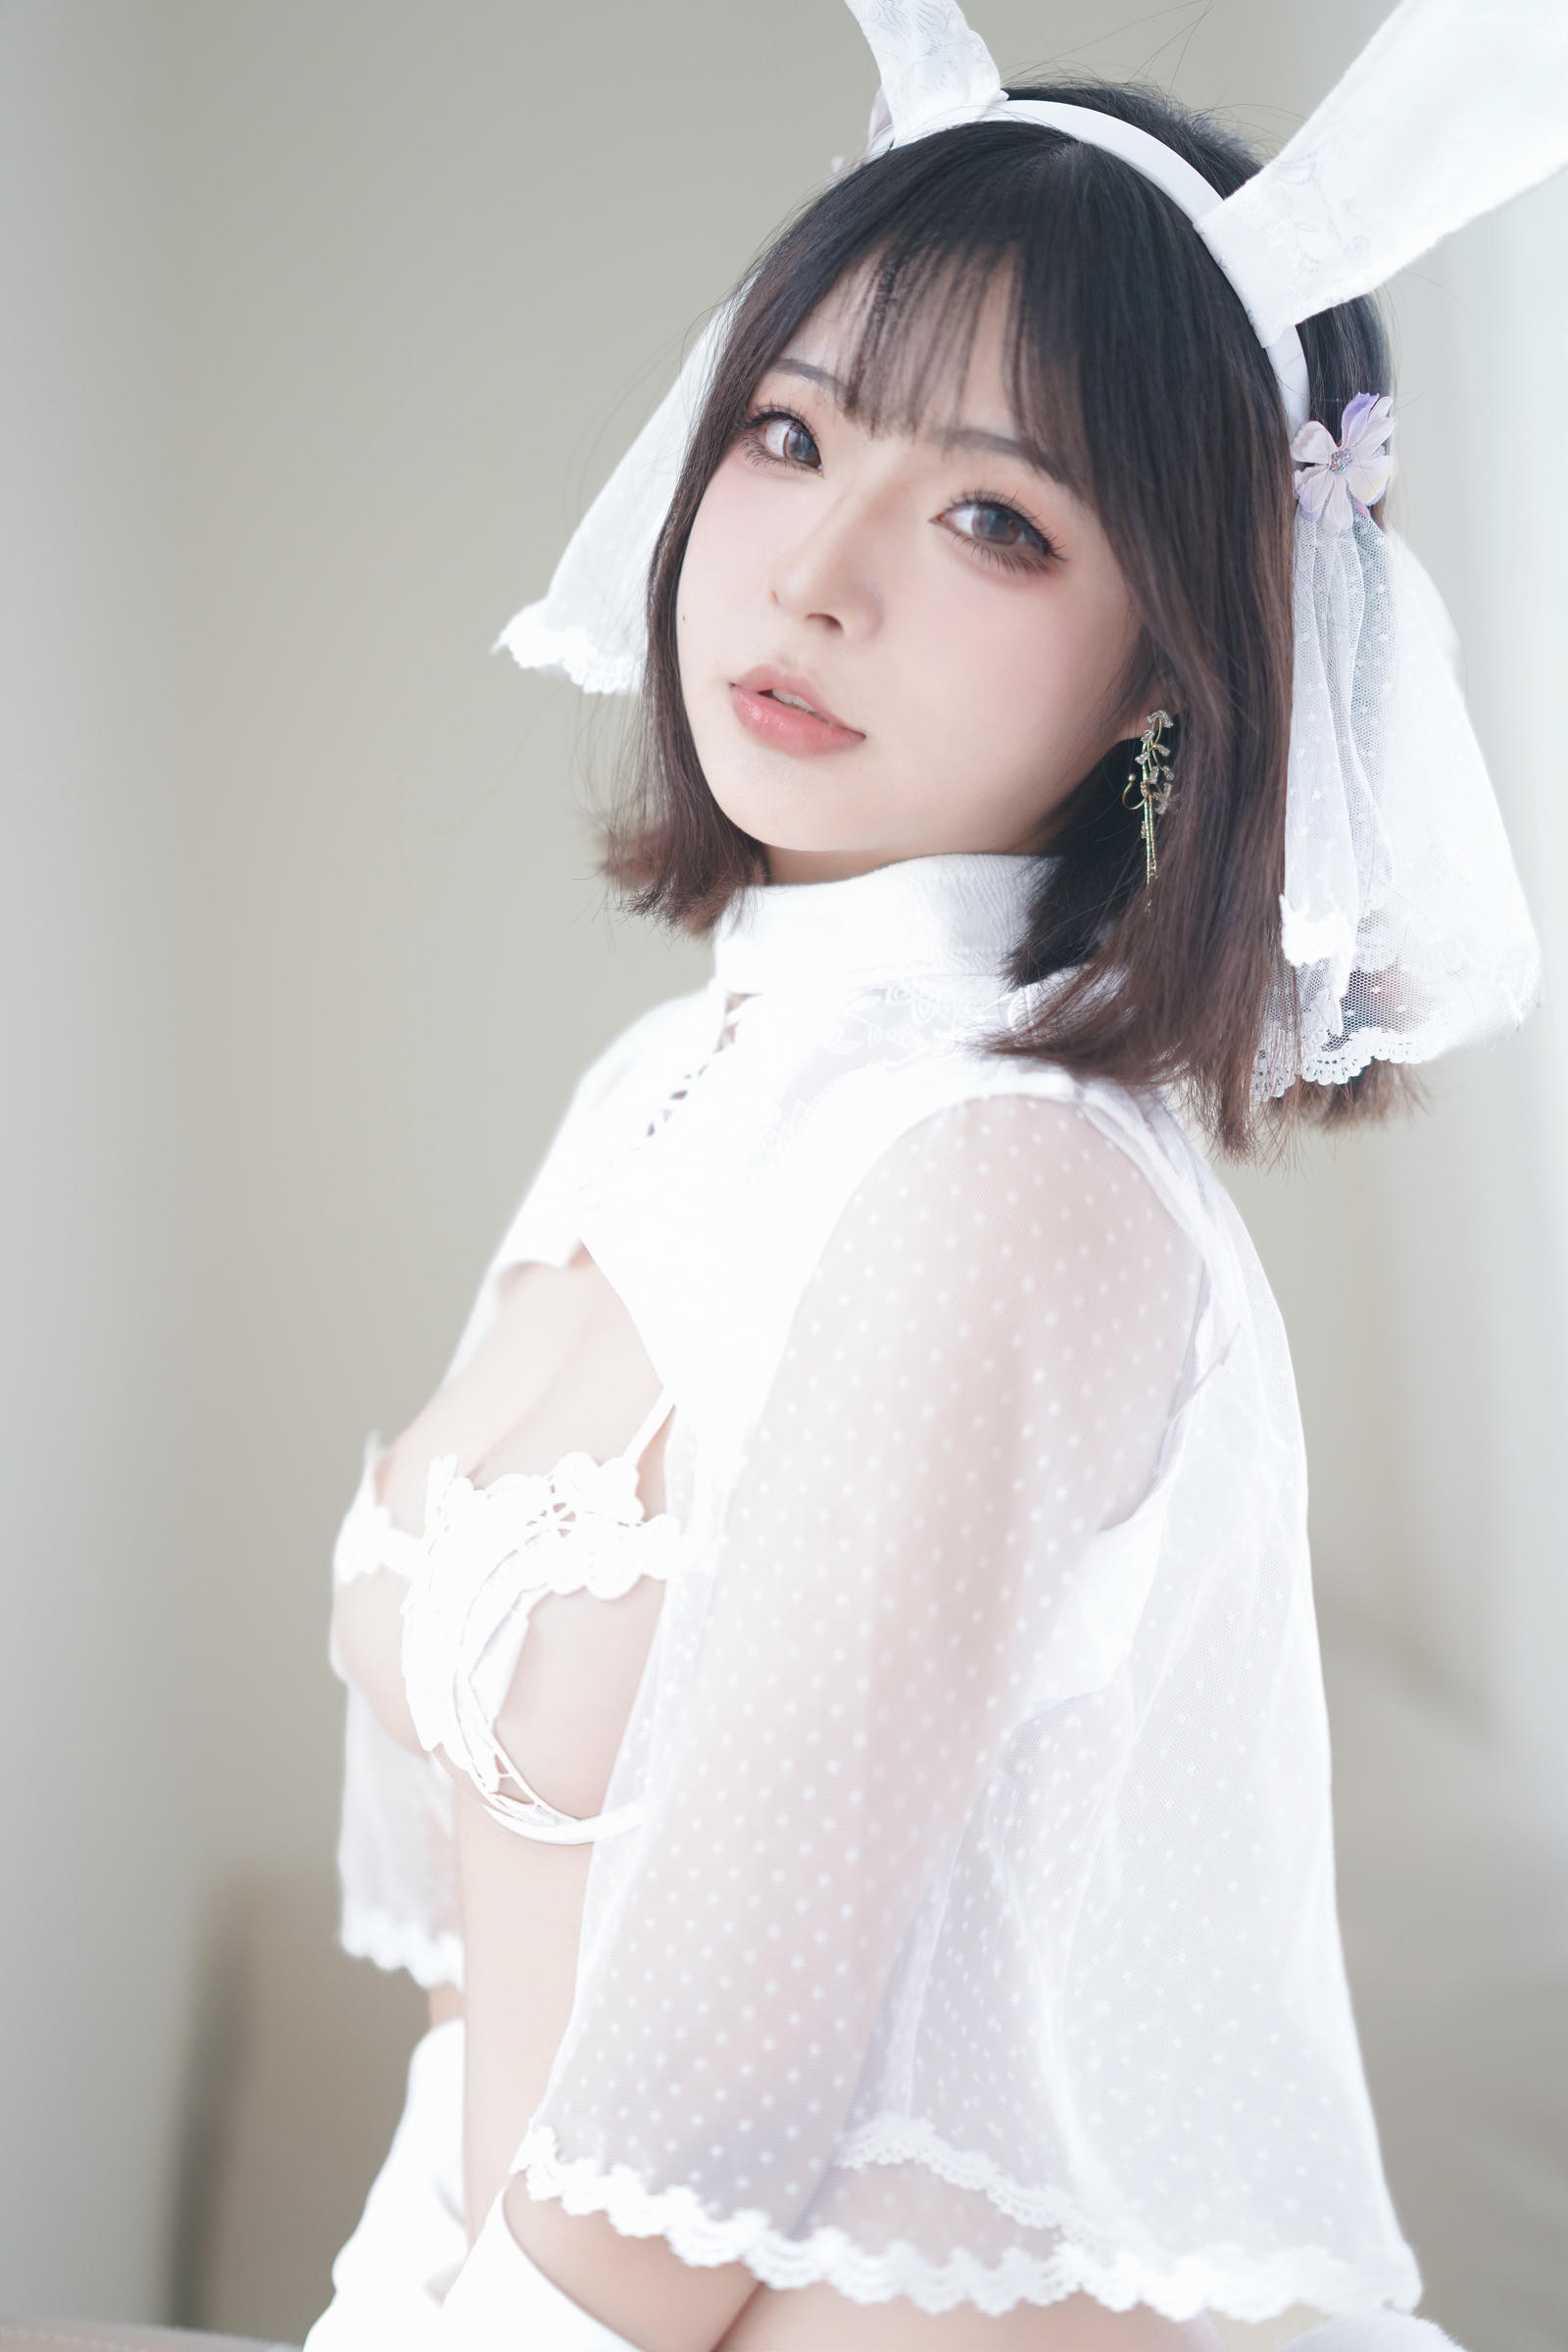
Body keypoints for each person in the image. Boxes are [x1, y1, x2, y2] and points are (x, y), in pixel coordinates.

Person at [304, 3, 1566, 2347]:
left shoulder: (1007, 1190)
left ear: (1164, 667)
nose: (815, 570)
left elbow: (685, 2165)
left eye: (994, 517)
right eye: (789, 432)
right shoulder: (664, 1095)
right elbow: (488, 2033)